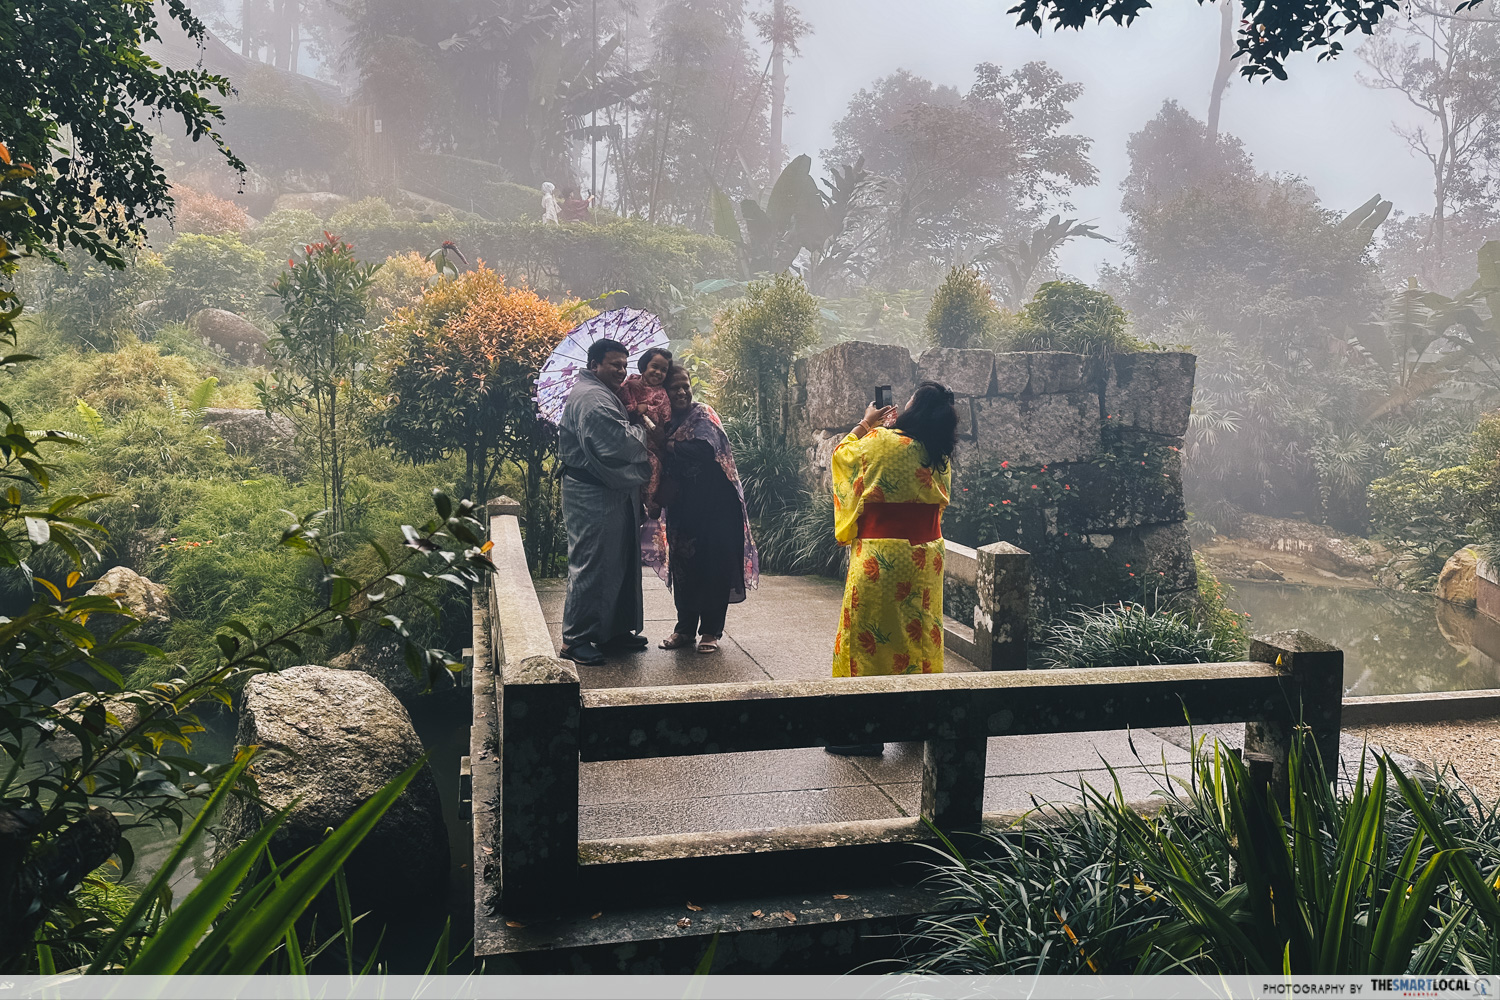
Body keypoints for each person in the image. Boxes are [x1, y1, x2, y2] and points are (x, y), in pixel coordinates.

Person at [826, 380, 958, 757]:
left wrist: (866, 424)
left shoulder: (881, 440)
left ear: (914, 410)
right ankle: (916, 722)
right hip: (925, 557)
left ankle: (863, 731)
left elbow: (843, 457)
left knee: (868, 636)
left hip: (882, 556)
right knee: (918, 634)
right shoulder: (938, 452)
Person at [642, 366, 759, 654]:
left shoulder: (704, 414)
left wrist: (668, 444)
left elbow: (707, 451)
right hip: (684, 509)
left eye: (686, 386)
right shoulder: (664, 422)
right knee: (683, 569)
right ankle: (684, 629)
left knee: (715, 567)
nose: (681, 392)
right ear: (664, 393)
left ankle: (710, 631)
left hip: (717, 508)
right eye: (674, 388)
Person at [558, 337, 655, 666]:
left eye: (625, 366)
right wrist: (645, 434)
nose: (621, 371)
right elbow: (615, 442)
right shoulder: (592, 398)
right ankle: (576, 639)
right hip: (592, 493)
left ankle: (611, 630)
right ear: (594, 365)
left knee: (618, 561)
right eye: (615, 365)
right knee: (593, 562)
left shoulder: (602, 394)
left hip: (609, 492)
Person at [619, 346, 673, 518]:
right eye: (654, 367)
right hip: (629, 438)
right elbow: (621, 402)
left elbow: (665, 415)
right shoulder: (631, 383)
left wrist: (647, 408)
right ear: (644, 366)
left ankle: (649, 501)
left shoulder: (661, 393)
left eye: (663, 370)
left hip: (649, 441)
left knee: (654, 465)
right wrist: (633, 409)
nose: (658, 372)